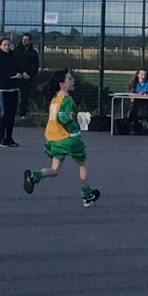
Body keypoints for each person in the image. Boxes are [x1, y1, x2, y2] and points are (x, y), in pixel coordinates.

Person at [22, 69, 101, 206]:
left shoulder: (54, 99)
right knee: (82, 165)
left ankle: (35, 176)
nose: (73, 81)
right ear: (62, 84)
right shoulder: (67, 100)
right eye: (69, 79)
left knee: (55, 169)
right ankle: (87, 194)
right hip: (70, 138)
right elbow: (63, 117)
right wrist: (71, 117)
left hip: (55, 139)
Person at [0, 37, 27, 147]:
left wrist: (23, 73)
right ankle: (1, 138)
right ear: (0, 46)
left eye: (8, 45)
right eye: (5, 45)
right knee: (4, 114)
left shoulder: (13, 56)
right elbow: (0, 73)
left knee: (11, 115)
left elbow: (18, 68)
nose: (7, 47)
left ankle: (9, 138)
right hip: (3, 89)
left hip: (13, 89)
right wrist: (13, 74)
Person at [12, 33, 41, 116]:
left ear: (30, 41)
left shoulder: (33, 53)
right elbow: (13, 63)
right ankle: (13, 112)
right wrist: (18, 73)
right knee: (14, 96)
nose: (24, 41)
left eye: (26, 40)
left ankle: (22, 114)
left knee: (25, 97)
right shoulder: (16, 51)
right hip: (16, 77)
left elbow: (35, 66)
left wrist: (30, 75)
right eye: (23, 39)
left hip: (27, 79)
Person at [128, 69, 148, 134]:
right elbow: (132, 93)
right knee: (136, 104)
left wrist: (143, 93)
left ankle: (133, 119)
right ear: (138, 75)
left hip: (147, 102)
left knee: (140, 105)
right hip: (136, 101)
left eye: (145, 75)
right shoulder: (134, 84)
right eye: (142, 75)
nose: (143, 77)